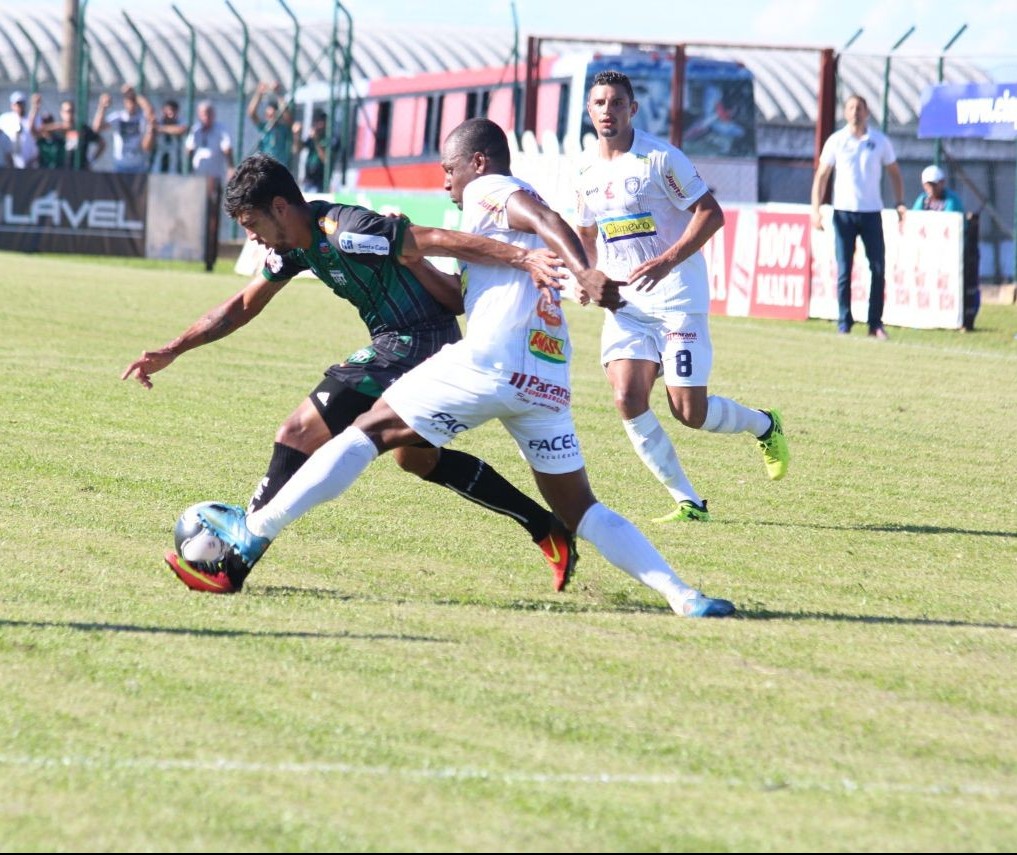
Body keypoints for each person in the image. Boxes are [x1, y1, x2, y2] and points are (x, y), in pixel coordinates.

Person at [192, 120, 736, 619]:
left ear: (476, 162)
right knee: (585, 511)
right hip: (544, 379)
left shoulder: (488, 188)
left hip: (490, 360)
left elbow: (542, 219)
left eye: (449, 169)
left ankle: (252, 536)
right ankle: (684, 597)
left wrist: (584, 270)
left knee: (368, 433)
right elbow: (461, 290)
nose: (445, 180)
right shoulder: (489, 221)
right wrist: (423, 260)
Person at [123, 152, 579, 596]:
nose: (253, 238)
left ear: (279, 208)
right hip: (403, 343)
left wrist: (522, 259)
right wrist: (173, 349)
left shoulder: (347, 231)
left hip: (415, 342)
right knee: (417, 459)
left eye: (252, 225)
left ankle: (235, 562)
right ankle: (545, 528)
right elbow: (242, 305)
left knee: (298, 430)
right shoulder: (296, 247)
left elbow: (433, 237)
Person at [573, 69, 789, 525]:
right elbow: (586, 232)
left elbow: (710, 214)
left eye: (616, 103)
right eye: (599, 103)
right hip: (627, 306)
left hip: (676, 297)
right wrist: (586, 275)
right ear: (589, 111)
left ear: (632, 109)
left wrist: (668, 260)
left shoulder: (660, 159)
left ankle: (765, 424)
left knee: (689, 412)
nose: (607, 111)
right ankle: (688, 500)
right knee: (627, 398)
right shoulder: (586, 171)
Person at [811, 94, 905, 339]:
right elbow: (822, 175)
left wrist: (900, 202)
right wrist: (815, 208)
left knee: (877, 268)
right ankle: (844, 321)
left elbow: (894, 172)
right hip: (843, 213)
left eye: (860, 108)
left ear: (867, 112)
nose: (855, 112)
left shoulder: (879, 141)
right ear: (845, 112)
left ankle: (875, 323)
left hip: (872, 212)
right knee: (844, 269)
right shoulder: (836, 141)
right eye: (851, 108)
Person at [92, 84, 155, 174]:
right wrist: (102, 107)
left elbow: (150, 113)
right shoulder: (118, 117)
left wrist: (135, 93)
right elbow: (97, 128)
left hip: (139, 166)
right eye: (128, 102)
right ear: (124, 103)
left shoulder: (142, 117)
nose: (131, 105)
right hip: (120, 165)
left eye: (133, 102)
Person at [33, 99, 105, 170]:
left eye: (72, 111)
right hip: (58, 170)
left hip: (79, 170)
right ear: (61, 112)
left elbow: (101, 143)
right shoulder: (55, 130)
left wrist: (91, 160)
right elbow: (36, 131)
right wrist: (35, 107)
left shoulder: (82, 129)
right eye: (67, 111)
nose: (70, 114)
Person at [185, 100, 234, 185]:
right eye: (203, 114)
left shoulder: (221, 129)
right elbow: (189, 149)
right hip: (198, 174)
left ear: (213, 114)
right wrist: (189, 169)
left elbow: (227, 149)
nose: (206, 117)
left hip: (215, 175)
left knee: (214, 197)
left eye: (209, 113)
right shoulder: (196, 129)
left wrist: (230, 167)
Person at [247, 81, 294, 169]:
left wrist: (277, 93)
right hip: (265, 167)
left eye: (271, 115)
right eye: (267, 115)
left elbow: (287, 116)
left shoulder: (283, 129)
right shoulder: (265, 127)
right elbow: (251, 112)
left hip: (280, 167)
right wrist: (259, 93)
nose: (269, 118)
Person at [0, 90, 39, 168]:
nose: (18, 106)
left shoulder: (31, 119)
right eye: (16, 104)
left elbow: (35, 134)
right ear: (12, 105)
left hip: (29, 163)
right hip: (9, 162)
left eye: (21, 103)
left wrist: (35, 107)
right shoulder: (5, 118)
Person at [150, 99, 187, 174]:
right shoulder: (158, 122)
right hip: (157, 168)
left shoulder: (180, 122)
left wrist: (160, 129)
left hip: (175, 169)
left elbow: (181, 129)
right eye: (168, 111)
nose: (171, 114)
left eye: (174, 111)